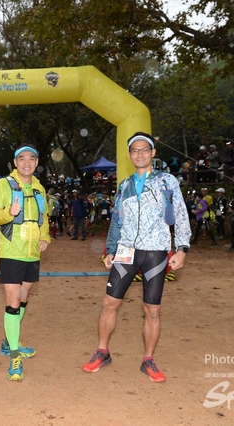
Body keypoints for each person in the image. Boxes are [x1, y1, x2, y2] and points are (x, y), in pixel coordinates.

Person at [82, 132, 191, 382]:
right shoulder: (124, 185)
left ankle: (148, 359)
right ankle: (102, 352)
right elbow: (117, 219)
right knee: (109, 303)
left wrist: (182, 248)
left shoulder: (167, 181)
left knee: (152, 309)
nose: (139, 154)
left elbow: (181, 215)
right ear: (129, 155)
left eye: (144, 149)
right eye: (135, 150)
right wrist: (111, 249)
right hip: (126, 250)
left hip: (156, 251)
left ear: (153, 153)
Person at [0, 144, 50, 382]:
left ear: (36, 163)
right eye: (22, 159)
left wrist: (45, 237)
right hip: (11, 250)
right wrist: (9, 213)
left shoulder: (39, 187)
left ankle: (8, 341)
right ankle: (14, 356)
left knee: (24, 296)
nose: (27, 163)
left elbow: (44, 217)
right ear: (15, 163)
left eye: (31, 159)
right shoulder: (4, 184)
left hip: (32, 252)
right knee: (13, 301)